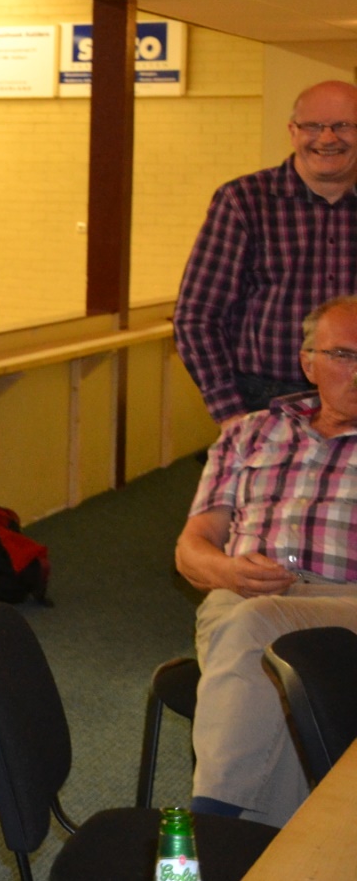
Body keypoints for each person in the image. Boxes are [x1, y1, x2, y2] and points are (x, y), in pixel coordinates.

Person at [175, 293, 357, 826]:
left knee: (255, 628)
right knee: (263, 665)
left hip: (346, 604)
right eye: (343, 355)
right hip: (241, 593)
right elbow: (192, 547)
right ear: (309, 363)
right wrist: (228, 571)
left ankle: (211, 824)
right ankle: (270, 845)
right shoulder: (248, 432)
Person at [176, 79, 357, 423]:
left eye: (343, 125)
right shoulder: (243, 201)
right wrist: (230, 413)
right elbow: (197, 316)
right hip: (264, 402)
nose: (327, 138)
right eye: (313, 126)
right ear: (292, 132)